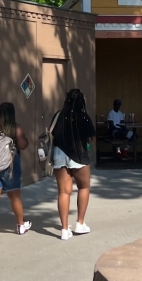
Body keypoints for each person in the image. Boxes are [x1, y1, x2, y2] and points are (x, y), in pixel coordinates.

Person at [0, 102, 30, 245]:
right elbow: (23, 145)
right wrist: (25, 139)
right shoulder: (15, 127)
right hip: (9, 166)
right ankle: (21, 225)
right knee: (15, 197)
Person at [52, 89, 95, 241]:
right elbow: (90, 139)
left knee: (64, 192)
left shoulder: (58, 115)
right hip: (78, 155)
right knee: (83, 187)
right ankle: (80, 223)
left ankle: (64, 230)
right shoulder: (84, 117)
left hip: (59, 155)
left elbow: (53, 134)